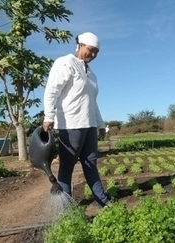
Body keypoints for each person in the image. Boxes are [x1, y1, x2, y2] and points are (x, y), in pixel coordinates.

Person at [42, 32, 111, 208]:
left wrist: (100, 124)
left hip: (89, 126)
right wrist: (49, 116)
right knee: (67, 167)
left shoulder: (91, 75)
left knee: (91, 165)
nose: (93, 55)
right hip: (70, 125)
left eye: (96, 52)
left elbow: (92, 103)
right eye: (91, 50)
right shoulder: (65, 63)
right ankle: (67, 209)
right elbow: (52, 91)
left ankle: (102, 201)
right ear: (80, 45)